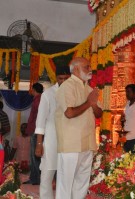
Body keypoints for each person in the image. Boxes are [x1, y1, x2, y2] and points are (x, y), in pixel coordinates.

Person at [55, 57, 102, 199]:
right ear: (76, 69)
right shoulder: (67, 87)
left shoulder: (89, 88)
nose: (90, 70)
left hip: (87, 143)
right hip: (71, 143)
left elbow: (99, 113)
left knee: (82, 182)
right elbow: (69, 113)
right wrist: (89, 102)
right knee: (66, 183)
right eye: (87, 67)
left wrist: (93, 104)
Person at [34, 65, 71, 199]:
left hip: (68, 142)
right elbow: (40, 121)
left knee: (65, 177)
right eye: (61, 78)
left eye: (66, 78)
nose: (63, 81)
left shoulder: (74, 93)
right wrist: (39, 144)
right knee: (46, 175)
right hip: (51, 141)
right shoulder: (48, 94)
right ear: (56, 78)